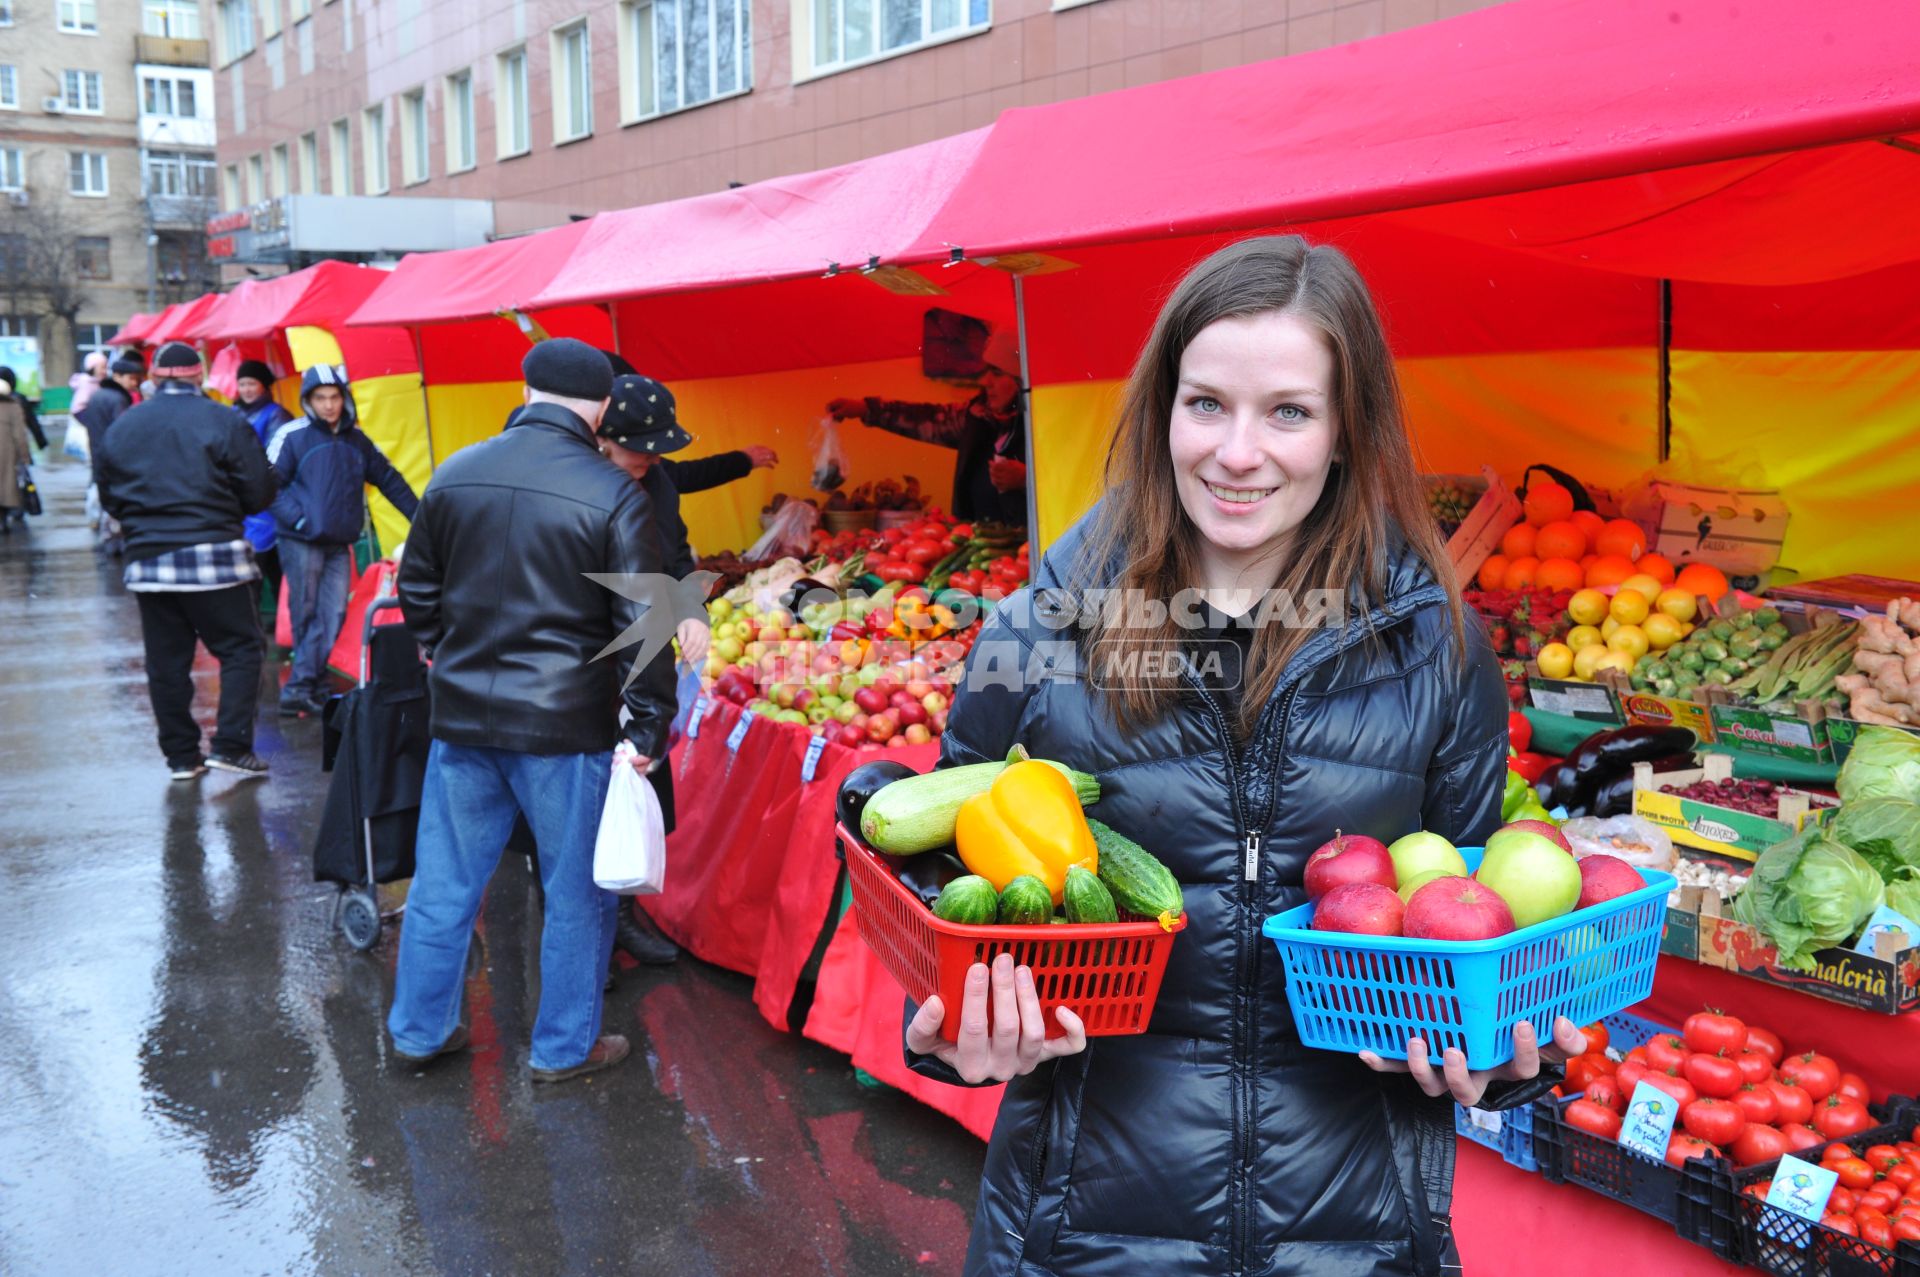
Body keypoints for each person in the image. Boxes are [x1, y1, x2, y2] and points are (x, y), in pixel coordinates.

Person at [905, 238, 1585, 1277]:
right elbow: (939, 892)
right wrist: (952, 1028)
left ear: (1348, 431)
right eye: (1206, 402)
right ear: (1160, 409)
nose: (1236, 450)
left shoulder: (1438, 649)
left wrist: (1494, 1057)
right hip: (1082, 1236)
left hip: (1357, 1235)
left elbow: (1477, 912)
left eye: (1288, 411)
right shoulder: (1030, 633)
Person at [389, 339, 678, 1083]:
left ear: (526, 387)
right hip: (564, 726)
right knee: (576, 892)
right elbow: (646, 620)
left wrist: (444, 651)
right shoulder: (613, 491)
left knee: (444, 882)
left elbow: (415, 587)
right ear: (605, 407)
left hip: (462, 717)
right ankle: (562, 1049)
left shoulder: (455, 472)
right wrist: (648, 727)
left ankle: (419, 1032)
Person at [94, 342, 277, 780]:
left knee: (166, 662)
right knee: (240, 649)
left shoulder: (125, 425)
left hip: (149, 563)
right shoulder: (224, 421)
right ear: (200, 375)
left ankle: (181, 757)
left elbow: (108, 495)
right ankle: (231, 746)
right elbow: (259, 493)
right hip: (215, 558)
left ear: (154, 377)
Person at [592, 371, 716, 967]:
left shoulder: (658, 482)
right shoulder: (581, 485)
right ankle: (591, 944)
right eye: (641, 446)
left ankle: (624, 918)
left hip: (648, 662)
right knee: (587, 808)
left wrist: (691, 608)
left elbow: (678, 554)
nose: (652, 457)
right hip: (592, 666)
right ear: (603, 437)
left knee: (641, 788)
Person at [266, 365, 419, 717]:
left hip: (338, 543)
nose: (329, 405)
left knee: (332, 615)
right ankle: (304, 687)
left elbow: (390, 480)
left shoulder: (357, 439)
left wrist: (421, 516)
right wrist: (301, 520)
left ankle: (307, 685)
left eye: (334, 397)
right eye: (320, 398)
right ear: (308, 400)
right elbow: (267, 488)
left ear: (344, 398)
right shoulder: (292, 435)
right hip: (301, 540)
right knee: (307, 615)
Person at [826, 326, 1027, 524]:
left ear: (1021, 379)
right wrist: (865, 409)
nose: (985, 381)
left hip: (1033, 545)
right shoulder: (976, 414)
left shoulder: (1041, 421)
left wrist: (1026, 479)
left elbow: (1058, 483)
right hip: (980, 541)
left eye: (998, 373)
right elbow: (926, 419)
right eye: (986, 371)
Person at [232, 360, 293, 627]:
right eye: (242, 383)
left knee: (270, 568)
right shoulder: (233, 413)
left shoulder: (277, 415)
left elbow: (274, 460)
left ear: (263, 386)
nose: (245, 389)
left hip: (269, 500)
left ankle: (282, 626)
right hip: (243, 502)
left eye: (251, 384)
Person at [79, 355, 144, 553]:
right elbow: (122, 433)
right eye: (131, 378)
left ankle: (109, 539)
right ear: (117, 376)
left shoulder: (99, 395)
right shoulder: (117, 399)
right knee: (117, 501)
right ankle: (116, 542)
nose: (134, 383)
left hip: (99, 455)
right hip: (114, 460)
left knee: (106, 499)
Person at [0, 371, 33, 533]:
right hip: (9, 457)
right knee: (7, 488)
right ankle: (4, 519)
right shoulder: (14, 407)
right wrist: (25, 457)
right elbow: (20, 436)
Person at [0, 364, 47, 454]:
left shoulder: (18, 399)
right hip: (15, 447)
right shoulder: (19, 399)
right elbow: (32, 422)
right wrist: (41, 442)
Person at [70, 351, 108, 419]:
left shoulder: (96, 382)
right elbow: (80, 406)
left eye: (106, 368)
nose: (105, 371)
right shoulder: (87, 383)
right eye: (102, 368)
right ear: (92, 368)